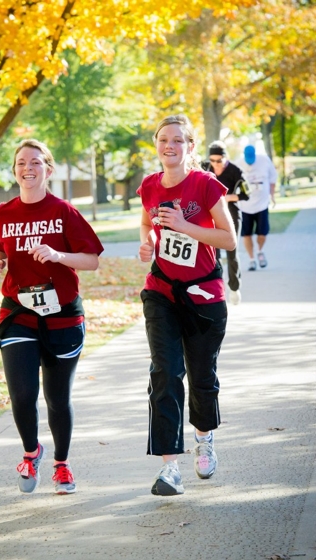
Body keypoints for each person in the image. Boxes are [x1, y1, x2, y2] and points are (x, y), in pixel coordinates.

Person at [0, 139, 104, 495]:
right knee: (21, 394)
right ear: (15, 171)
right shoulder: (3, 213)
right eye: (21, 162)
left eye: (35, 162)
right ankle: (31, 452)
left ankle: (62, 465)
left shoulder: (64, 211)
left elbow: (92, 260)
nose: (28, 168)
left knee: (56, 398)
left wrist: (57, 255)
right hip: (18, 311)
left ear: (48, 169)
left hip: (62, 315)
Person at [137, 114, 236, 496]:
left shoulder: (205, 185)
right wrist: (147, 243)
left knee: (202, 375)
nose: (170, 146)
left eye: (178, 140)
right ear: (157, 145)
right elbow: (146, 226)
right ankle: (169, 468)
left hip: (203, 297)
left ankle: (205, 439)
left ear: (190, 147)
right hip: (161, 291)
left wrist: (183, 224)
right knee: (164, 372)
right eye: (164, 140)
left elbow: (228, 238)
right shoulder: (149, 186)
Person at [201, 140, 250, 305]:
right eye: (212, 160)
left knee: (232, 252)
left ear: (225, 157)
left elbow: (246, 194)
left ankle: (234, 288)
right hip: (211, 215)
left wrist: (228, 198)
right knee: (213, 253)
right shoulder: (204, 168)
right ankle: (217, 288)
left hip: (232, 213)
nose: (215, 164)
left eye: (219, 160)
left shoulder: (236, 171)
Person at [235, 145, 277, 271]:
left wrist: (272, 195)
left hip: (262, 204)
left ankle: (260, 251)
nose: (250, 161)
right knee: (246, 234)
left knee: (262, 233)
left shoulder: (264, 161)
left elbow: (273, 178)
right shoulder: (238, 164)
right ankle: (252, 259)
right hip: (245, 206)